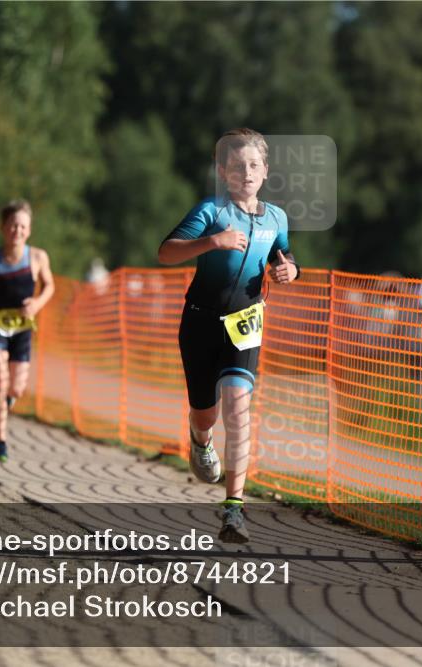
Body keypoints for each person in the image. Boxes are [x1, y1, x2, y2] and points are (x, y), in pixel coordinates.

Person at [158, 128, 300, 543]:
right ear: (223, 172)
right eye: (237, 166)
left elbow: (285, 254)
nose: (246, 172)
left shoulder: (276, 218)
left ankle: (234, 510)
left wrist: (291, 270)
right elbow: (165, 252)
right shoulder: (211, 210)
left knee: (239, 409)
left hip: (245, 326)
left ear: (266, 171)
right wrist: (211, 242)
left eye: (254, 164)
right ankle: (200, 438)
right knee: (208, 414)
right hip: (200, 322)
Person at [0, 200, 55, 463]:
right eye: (13, 225)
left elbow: (50, 286)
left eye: (23, 226)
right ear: (3, 227)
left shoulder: (38, 257)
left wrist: (37, 304)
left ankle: (5, 403)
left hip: (23, 330)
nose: (17, 230)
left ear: (29, 230)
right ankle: (0, 443)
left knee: (16, 388)